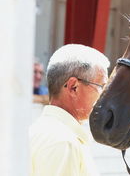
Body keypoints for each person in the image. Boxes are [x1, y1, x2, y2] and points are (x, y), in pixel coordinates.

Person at [29, 44, 110, 176]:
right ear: (73, 87)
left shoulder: (39, 130)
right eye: (101, 86)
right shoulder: (63, 142)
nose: (103, 94)